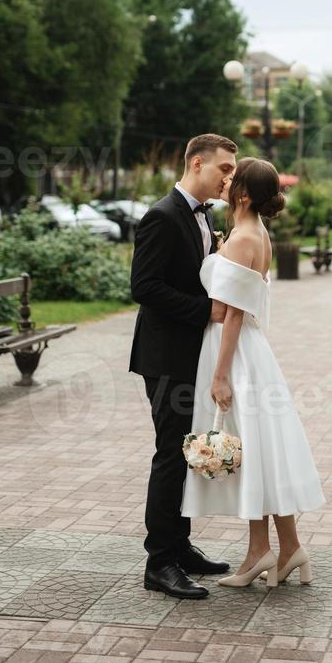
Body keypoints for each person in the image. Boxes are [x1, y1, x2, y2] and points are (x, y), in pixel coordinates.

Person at [181, 157, 325, 588]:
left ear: (243, 193)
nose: (225, 181)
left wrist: (221, 374)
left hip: (235, 353)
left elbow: (232, 314)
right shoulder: (254, 231)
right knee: (260, 451)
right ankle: (281, 548)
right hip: (249, 352)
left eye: (232, 178)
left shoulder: (245, 237)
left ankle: (262, 552)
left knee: (250, 451)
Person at [130, 133, 238, 599]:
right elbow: (145, 287)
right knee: (171, 455)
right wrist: (204, 311)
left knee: (186, 449)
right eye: (224, 170)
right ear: (197, 163)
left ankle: (181, 546)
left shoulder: (203, 216)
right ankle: (160, 563)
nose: (229, 178)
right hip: (165, 357)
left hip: (191, 354)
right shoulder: (161, 216)